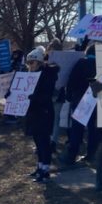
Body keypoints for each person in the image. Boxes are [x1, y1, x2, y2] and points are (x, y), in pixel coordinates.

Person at [24, 46, 60, 183]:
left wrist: (35, 97)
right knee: (37, 142)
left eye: (32, 63)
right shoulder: (30, 75)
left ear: (39, 62)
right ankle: (40, 167)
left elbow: (47, 95)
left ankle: (45, 169)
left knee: (44, 142)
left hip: (44, 113)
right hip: (34, 113)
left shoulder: (47, 75)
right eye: (28, 63)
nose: (30, 66)